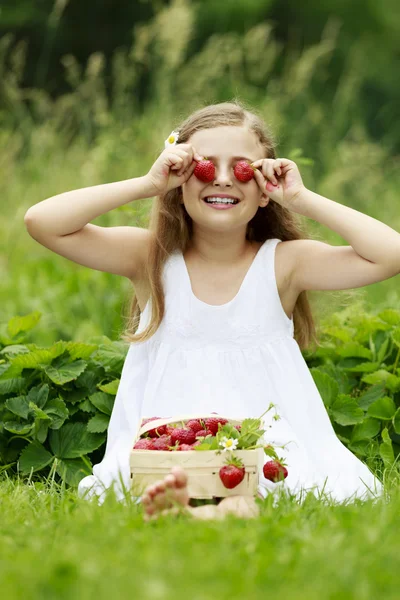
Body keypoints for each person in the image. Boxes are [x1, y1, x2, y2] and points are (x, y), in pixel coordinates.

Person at [25, 101, 399, 520]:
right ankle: (202, 502)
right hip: (168, 443)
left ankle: (215, 506)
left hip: (266, 445)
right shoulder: (150, 258)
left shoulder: (283, 264)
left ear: (264, 191)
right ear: (179, 182)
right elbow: (42, 221)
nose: (222, 178)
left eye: (243, 169)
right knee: (166, 475)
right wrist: (146, 183)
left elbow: (391, 254)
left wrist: (302, 199)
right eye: (204, 166)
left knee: (274, 480)